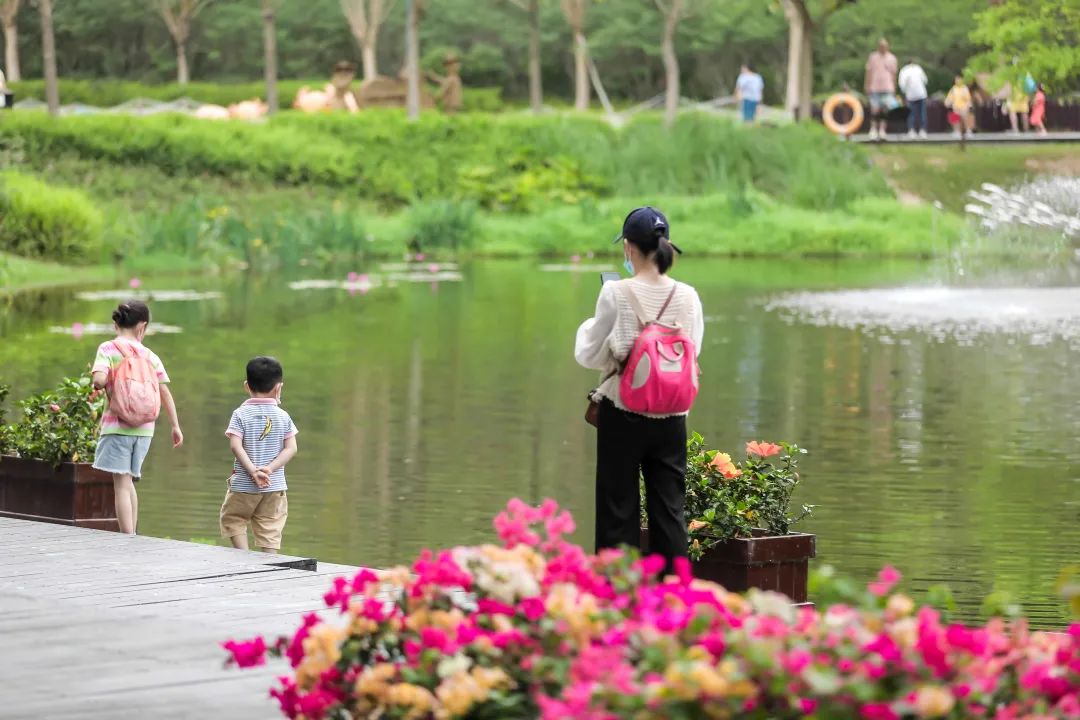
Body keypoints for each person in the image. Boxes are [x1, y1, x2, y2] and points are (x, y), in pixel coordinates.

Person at [575, 207, 704, 573]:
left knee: (618, 509)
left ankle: (619, 596)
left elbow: (591, 354)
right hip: (672, 417)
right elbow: (692, 350)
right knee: (670, 511)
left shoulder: (616, 292)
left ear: (628, 247)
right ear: (665, 245)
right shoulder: (688, 296)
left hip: (623, 412)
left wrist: (591, 324)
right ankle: (674, 599)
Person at [90, 301, 183, 535]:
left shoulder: (108, 348)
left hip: (117, 426)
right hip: (145, 429)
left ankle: (127, 536)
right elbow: (164, 391)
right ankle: (133, 533)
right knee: (130, 479)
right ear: (142, 326)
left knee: (120, 482)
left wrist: (98, 382)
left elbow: (100, 379)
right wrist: (175, 425)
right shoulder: (150, 355)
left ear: (116, 324)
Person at [220, 356, 298, 554]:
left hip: (244, 485)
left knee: (234, 519)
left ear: (247, 386)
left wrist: (253, 471)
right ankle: (269, 562)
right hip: (274, 485)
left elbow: (235, 446)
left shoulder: (240, 414)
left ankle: (243, 556)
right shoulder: (284, 416)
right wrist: (269, 469)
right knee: (270, 526)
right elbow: (291, 448)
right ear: (279, 387)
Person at [864, 38, 898, 141]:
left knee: (884, 110)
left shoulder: (892, 58)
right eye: (881, 46)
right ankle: (873, 130)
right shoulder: (873, 57)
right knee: (874, 109)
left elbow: (894, 74)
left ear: (887, 47)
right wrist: (867, 85)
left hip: (887, 87)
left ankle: (882, 131)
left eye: (885, 46)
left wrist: (894, 87)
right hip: (874, 87)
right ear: (878, 47)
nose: (883, 48)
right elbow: (868, 72)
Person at [897, 58, 928, 138]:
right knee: (919, 114)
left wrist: (904, 91)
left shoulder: (906, 70)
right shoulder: (916, 69)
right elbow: (925, 80)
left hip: (914, 95)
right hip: (918, 94)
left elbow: (901, 84)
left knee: (914, 114)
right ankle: (919, 130)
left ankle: (914, 130)